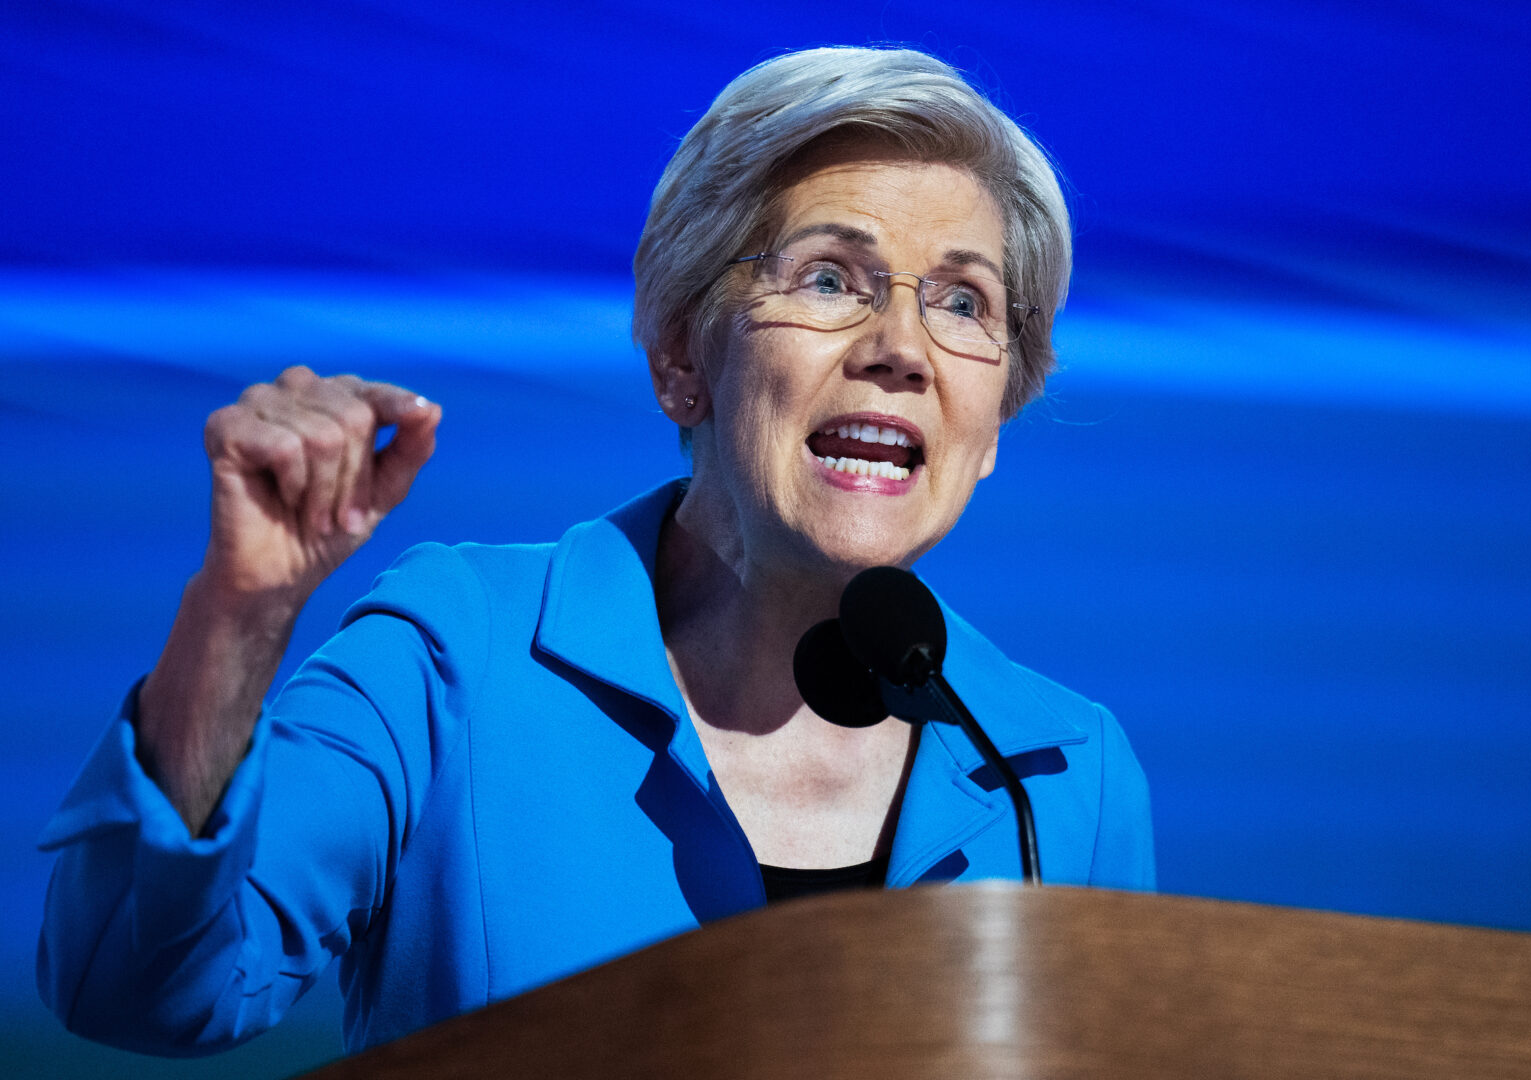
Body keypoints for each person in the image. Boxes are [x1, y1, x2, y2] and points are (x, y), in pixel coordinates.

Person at [37, 45, 1154, 1056]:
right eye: (829, 279)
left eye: (965, 302)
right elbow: (143, 987)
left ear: (997, 412)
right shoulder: (455, 657)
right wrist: (240, 617)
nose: (902, 347)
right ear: (680, 354)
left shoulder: (1064, 777)